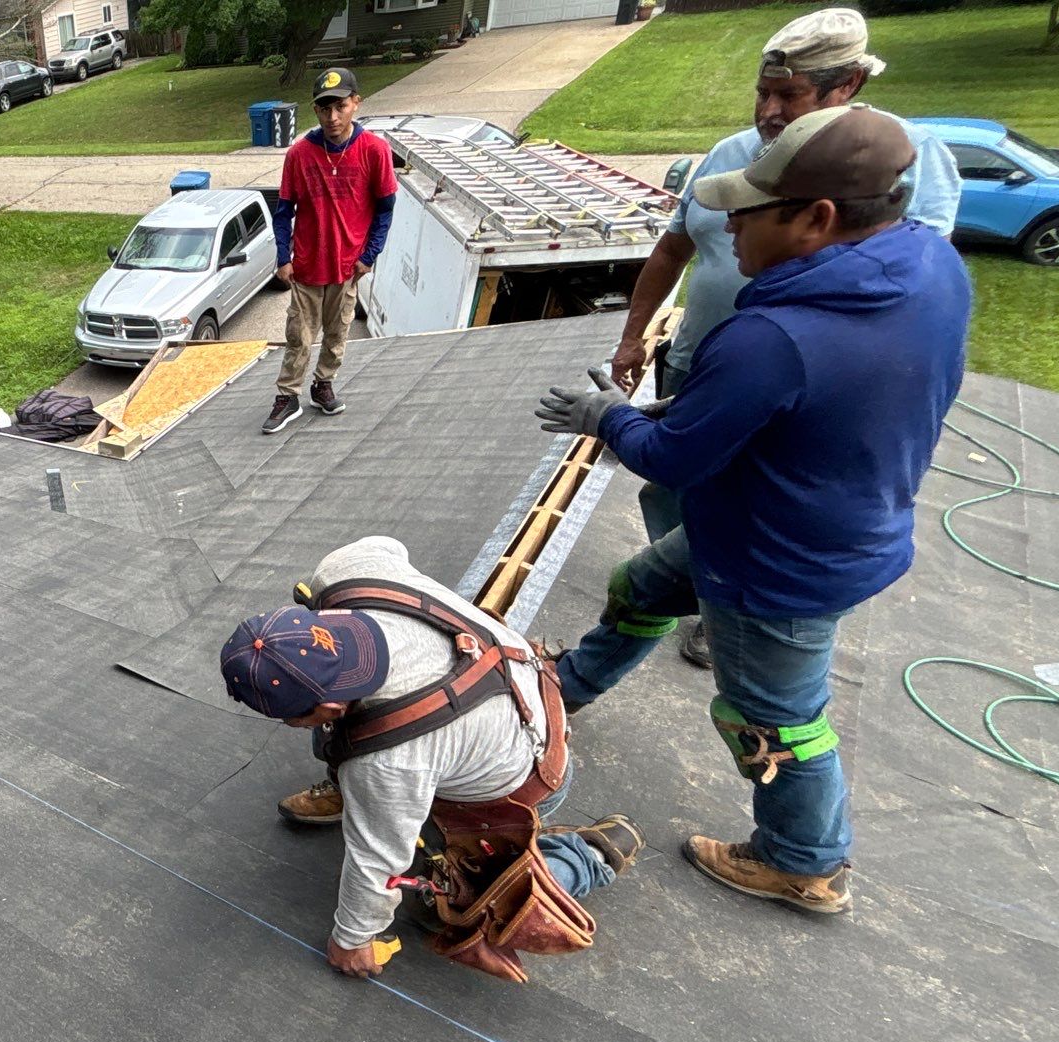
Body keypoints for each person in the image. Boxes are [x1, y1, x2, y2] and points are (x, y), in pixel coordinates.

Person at [537, 105, 970, 915]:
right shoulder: (931, 268)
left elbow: (671, 460)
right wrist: (705, 411)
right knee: (642, 585)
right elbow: (819, 403)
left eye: (749, 209)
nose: (726, 225)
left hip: (773, 562)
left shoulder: (773, 337)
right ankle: (567, 687)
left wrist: (609, 418)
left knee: (774, 720)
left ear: (818, 218)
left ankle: (804, 859)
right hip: (818, 515)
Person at [603, 7, 960, 669]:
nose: (768, 111)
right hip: (704, 368)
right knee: (677, 500)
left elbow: (898, 295)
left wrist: (607, 421)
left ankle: (735, 609)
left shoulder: (897, 162)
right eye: (762, 93)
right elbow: (672, 249)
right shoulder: (733, 154)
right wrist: (634, 342)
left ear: (845, 85)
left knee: (755, 512)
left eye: (787, 95)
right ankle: (684, 596)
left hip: (794, 391)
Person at [221, 536, 643, 980]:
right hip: (526, 686)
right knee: (353, 744)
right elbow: (389, 545)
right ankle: (365, 796)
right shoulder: (347, 570)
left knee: (461, 907)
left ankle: (586, 857)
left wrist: (352, 940)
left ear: (326, 708)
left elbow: (378, 862)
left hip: (525, 779)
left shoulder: (388, 763)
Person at [263, 67, 396, 436]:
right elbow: (283, 211)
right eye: (324, 109)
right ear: (316, 110)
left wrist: (370, 255)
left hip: (347, 267)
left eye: (340, 106)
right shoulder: (300, 155)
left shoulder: (375, 151)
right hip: (306, 266)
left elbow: (385, 210)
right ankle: (287, 396)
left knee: (338, 334)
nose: (333, 117)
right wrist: (283, 257)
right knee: (298, 337)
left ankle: (323, 385)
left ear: (356, 102)